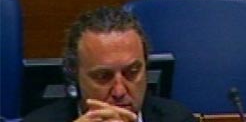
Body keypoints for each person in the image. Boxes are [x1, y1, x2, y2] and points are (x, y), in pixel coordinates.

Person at [23, 6, 196, 122]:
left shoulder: (178, 119)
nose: (119, 91)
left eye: (132, 72)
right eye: (103, 76)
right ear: (74, 74)